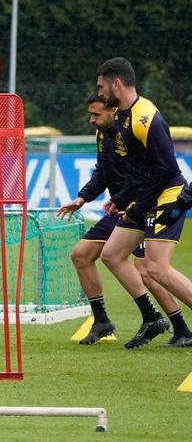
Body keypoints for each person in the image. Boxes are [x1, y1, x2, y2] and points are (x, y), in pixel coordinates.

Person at [58, 93, 191, 347]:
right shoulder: (103, 135)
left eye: (96, 115)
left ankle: (179, 327)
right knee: (84, 254)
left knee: (150, 269)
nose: (91, 120)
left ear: (113, 112)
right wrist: (84, 198)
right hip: (126, 206)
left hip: (142, 203)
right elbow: (104, 173)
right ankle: (107, 320)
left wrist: (129, 201)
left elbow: (151, 172)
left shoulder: (132, 130)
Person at [96, 57, 192, 348]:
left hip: (167, 196)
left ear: (117, 84)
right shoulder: (122, 116)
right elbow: (140, 169)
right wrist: (122, 199)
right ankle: (153, 318)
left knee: (156, 268)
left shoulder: (145, 117)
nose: (99, 93)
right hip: (145, 198)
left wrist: (139, 205)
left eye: (101, 87)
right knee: (112, 253)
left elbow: (166, 170)